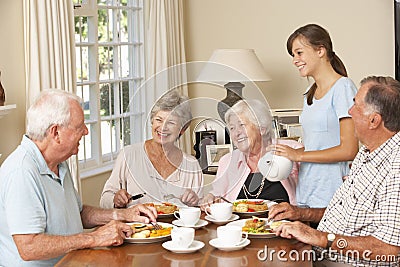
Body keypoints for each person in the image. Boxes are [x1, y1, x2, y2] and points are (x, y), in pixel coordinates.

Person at [0, 89, 158, 266]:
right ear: (56, 133)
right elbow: (29, 247)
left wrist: (124, 214)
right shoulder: (21, 171)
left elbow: (79, 213)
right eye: (79, 127)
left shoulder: (59, 162)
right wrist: (94, 238)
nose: (85, 132)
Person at [268, 76, 400, 266]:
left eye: (356, 105)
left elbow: (389, 249)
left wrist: (320, 238)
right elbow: (344, 212)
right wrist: (299, 214)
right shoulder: (367, 152)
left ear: (373, 121)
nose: (349, 111)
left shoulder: (395, 167)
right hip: (323, 255)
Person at [273, 24, 359, 208]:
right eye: (293, 55)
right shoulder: (309, 94)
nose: (295, 60)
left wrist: (297, 155)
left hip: (334, 192)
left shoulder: (343, 88)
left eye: (299, 53)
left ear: (320, 50)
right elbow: (316, 145)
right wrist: (286, 154)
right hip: (308, 189)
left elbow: (349, 150)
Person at [100, 89, 203, 209]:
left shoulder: (191, 165)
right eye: (159, 120)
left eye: (171, 122)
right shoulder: (128, 155)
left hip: (179, 227)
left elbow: (200, 211)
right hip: (136, 226)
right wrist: (115, 199)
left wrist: (194, 203)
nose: (163, 127)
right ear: (152, 122)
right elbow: (104, 200)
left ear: (182, 129)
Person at [200, 99, 303, 208]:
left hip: (284, 223)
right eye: (232, 128)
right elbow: (216, 195)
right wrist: (210, 198)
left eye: (242, 125)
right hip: (239, 224)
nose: (236, 133)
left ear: (262, 129)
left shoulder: (293, 150)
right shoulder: (227, 161)